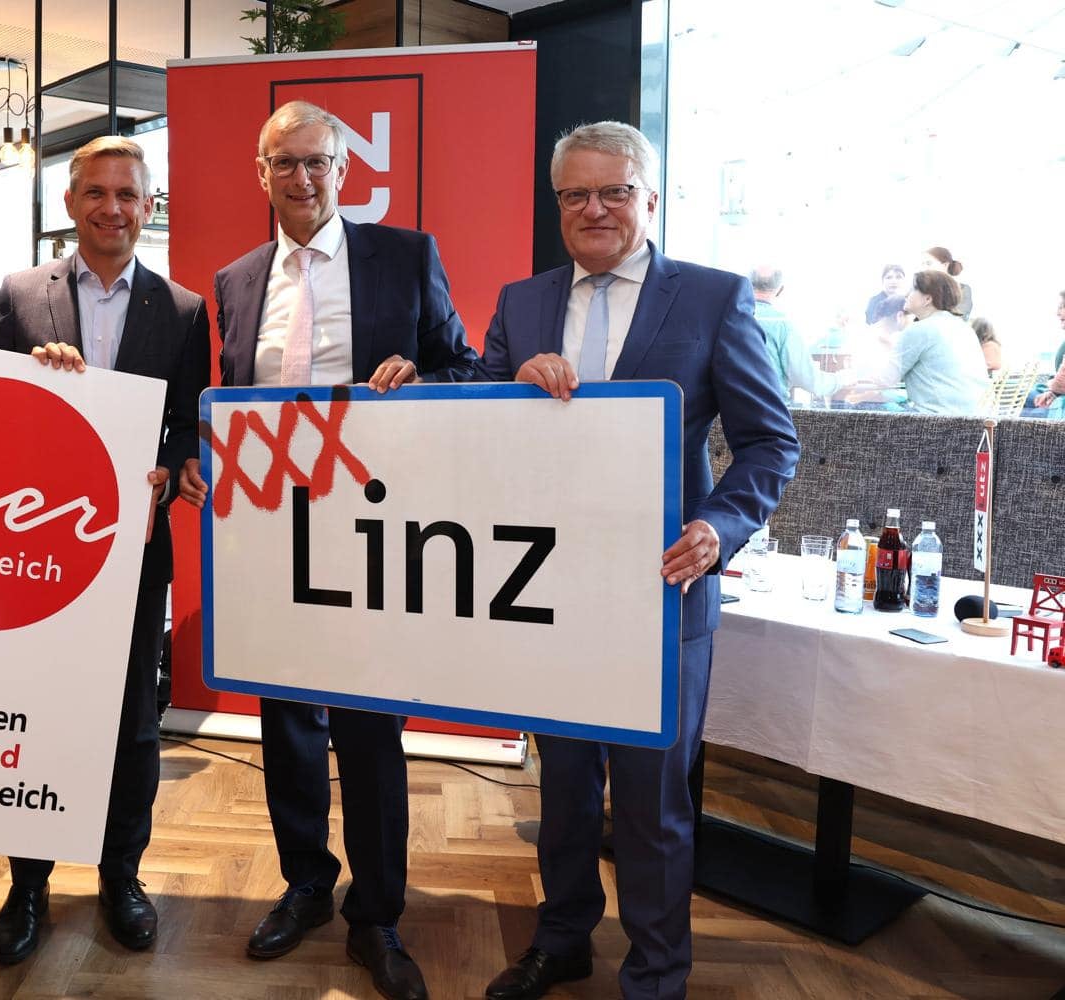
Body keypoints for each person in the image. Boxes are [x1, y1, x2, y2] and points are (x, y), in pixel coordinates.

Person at [474, 121, 798, 1000]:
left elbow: (770, 442)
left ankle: (655, 975)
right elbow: (473, 424)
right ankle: (562, 938)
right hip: (544, 585)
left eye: (614, 191)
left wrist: (721, 525)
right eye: (575, 195)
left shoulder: (713, 297)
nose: (595, 209)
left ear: (650, 199)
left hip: (663, 587)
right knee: (565, 788)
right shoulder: (522, 301)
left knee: (653, 806)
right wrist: (506, 390)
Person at [180, 99, 477, 1000]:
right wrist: (203, 461)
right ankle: (306, 883)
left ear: (344, 171)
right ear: (260, 173)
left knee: (369, 725)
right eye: (285, 163)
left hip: (377, 528)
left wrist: (423, 376)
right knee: (287, 720)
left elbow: (466, 365)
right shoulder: (236, 279)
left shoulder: (405, 256)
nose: (302, 178)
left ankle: (376, 913)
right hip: (272, 529)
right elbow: (230, 399)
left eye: (318, 162)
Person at [0, 136, 209, 966]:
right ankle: (28, 884)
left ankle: (122, 877)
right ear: (71, 203)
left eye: (128, 195)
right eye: (96, 193)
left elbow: (188, 421)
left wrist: (173, 463)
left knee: (133, 724)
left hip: (133, 553)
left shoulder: (183, 309)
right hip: (33, 549)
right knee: (33, 711)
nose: (113, 208)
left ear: (149, 206)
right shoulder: (18, 295)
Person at [868, 269, 988, 414]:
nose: (906, 295)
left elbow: (885, 379)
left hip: (935, 420)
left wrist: (856, 376)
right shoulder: (963, 327)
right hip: (974, 418)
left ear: (927, 299)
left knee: (857, 407)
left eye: (913, 289)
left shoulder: (920, 329)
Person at [748, 265, 846, 401]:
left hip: (729, 408)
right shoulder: (783, 324)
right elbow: (809, 379)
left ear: (747, 285)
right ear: (780, 290)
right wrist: (842, 379)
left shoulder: (731, 318)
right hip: (768, 407)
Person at [923, 245, 973, 319]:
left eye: (928, 263)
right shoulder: (920, 288)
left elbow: (959, 318)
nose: (924, 268)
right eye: (922, 264)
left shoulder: (963, 290)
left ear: (945, 265)